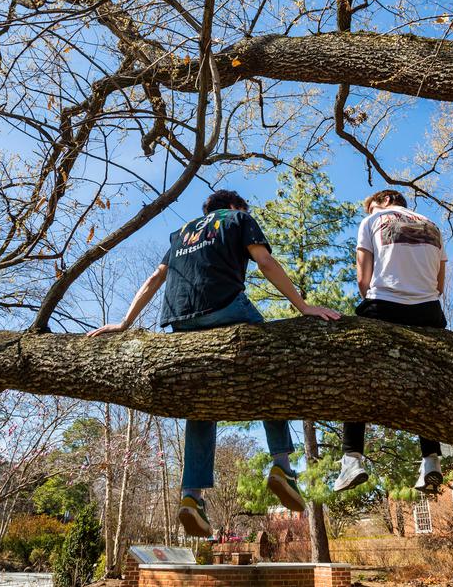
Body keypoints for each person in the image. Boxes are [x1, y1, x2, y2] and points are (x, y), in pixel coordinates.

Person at [88, 190, 341, 537]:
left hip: (181, 320)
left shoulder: (183, 233)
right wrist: (302, 306)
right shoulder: (238, 218)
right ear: (236, 205)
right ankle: (282, 465)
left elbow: (154, 279)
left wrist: (124, 323)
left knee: (200, 397)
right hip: (226, 308)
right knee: (271, 368)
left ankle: (191, 496)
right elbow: (265, 263)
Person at [332, 189, 449, 495]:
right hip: (429, 312)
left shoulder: (373, 220)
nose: (369, 211)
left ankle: (352, 458)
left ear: (384, 201)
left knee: (358, 377)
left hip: (384, 303)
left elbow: (363, 275)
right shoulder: (432, 225)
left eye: (371, 206)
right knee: (423, 383)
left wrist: (373, 300)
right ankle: (431, 460)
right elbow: (439, 283)